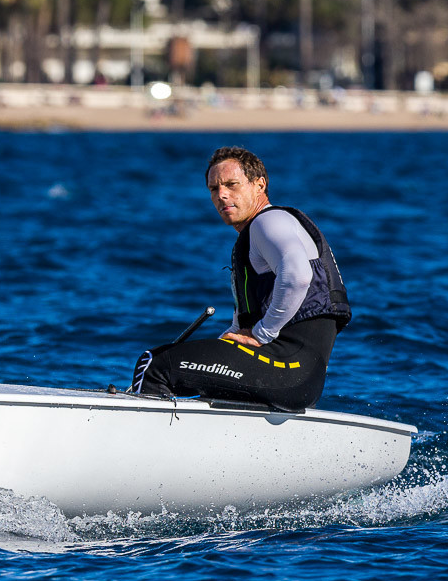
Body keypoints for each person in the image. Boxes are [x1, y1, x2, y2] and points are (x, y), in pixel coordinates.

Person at [129, 146, 350, 410]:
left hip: (286, 369)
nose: (222, 194)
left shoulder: (269, 222)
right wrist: (224, 343)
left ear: (259, 185)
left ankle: (140, 444)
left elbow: (297, 276)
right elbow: (242, 327)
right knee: (192, 371)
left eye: (231, 184)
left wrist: (262, 333)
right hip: (294, 376)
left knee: (155, 364)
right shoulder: (260, 235)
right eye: (214, 188)